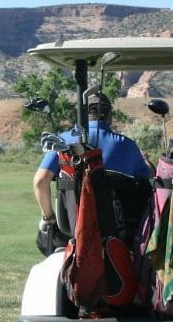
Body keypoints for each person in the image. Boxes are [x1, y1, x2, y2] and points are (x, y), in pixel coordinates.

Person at [33, 92, 151, 231]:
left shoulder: (62, 141)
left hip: (72, 230)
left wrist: (49, 217)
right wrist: (147, 162)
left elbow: (40, 182)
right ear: (109, 116)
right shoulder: (127, 145)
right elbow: (147, 177)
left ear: (82, 115)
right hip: (116, 231)